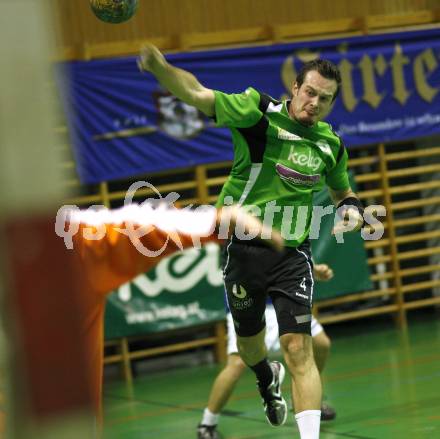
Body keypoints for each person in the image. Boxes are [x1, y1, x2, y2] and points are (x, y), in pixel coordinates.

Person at [138, 45, 364, 439]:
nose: (314, 103)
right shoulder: (258, 113)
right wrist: (161, 69)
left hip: (292, 253)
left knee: (300, 347)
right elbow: (197, 94)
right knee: (249, 348)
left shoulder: (331, 145)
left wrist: (353, 211)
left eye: (324, 99)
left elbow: (343, 193)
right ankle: (265, 376)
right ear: (295, 88)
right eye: (309, 92)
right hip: (243, 249)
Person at [50, 203, 283, 433]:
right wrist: (214, 222)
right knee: (238, 360)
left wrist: (214, 222)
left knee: (308, 345)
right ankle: (210, 421)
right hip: (247, 290)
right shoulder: (65, 246)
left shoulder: (65, 246)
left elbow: (131, 225)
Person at [197, 264, 335, 439]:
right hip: (249, 296)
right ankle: (207, 423)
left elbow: (292, 249)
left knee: (320, 344)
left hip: (288, 293)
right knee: (238, 363)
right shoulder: (237, 240)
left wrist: (312, 269)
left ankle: (306, 402)